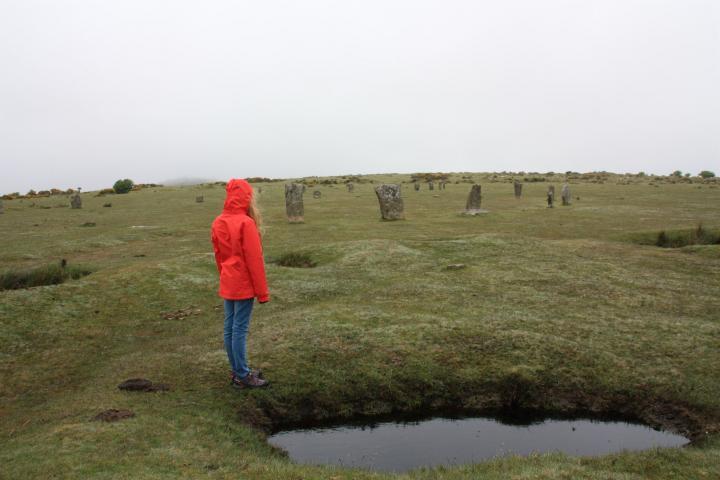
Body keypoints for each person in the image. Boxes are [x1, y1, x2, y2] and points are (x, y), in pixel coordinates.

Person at [211, 178, 270, 388]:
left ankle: (238, 371)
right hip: (243, 284)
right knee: (239, 329)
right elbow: (254, 261)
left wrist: (225, 276)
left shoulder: (218, 221)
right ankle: (243, 375)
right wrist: (262, 293)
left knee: (230, 328)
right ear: (246, 197)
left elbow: (219, 256)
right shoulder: (246, 223)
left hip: (229, 281)